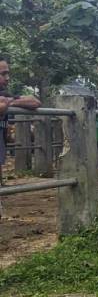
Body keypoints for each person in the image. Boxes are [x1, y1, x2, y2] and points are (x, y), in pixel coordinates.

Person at [0, 55, 41, 216]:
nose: (7, 78)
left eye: (7, 73)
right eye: (3, 74)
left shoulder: (5, 94)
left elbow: (35, 102)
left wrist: (10, 102)